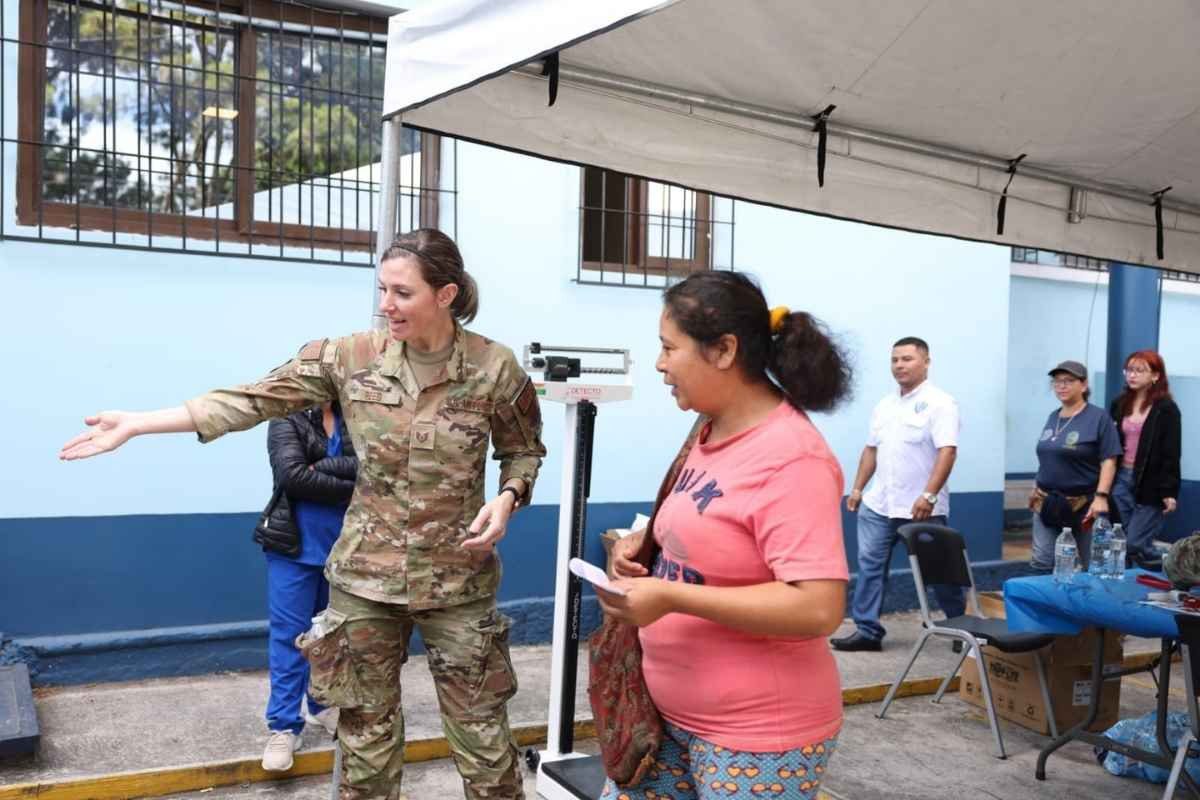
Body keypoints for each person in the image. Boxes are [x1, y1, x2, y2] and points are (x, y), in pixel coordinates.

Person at [59, 228, 546, 800]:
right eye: (382, 290)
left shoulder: (494, 366)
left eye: (402, 293)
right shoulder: (348, 357)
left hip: (458, 584)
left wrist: (509, 495)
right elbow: (253, 398)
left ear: (445, 294)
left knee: (484, 743)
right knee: (365, 744)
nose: (386, 305)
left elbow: (523, 449)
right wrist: (141, 423)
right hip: (364, 583)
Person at [599, 271, 852, 800]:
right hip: (665, 719)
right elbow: (709, 528)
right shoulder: (709, 431)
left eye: (670, 348)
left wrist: (671, 596)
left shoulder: (792, 458)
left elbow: (818, 606)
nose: (660, 364)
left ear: (724, 351)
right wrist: (644, 546)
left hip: (756, 740)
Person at [832, 337, 964, 653]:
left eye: (907, 359)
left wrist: (929, 495)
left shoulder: (941, 403)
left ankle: (960, 626)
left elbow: (947, 451)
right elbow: (871, 450)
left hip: (922, 508)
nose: (899, 365)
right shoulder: (884, 406)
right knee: (870, 568)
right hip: (879, 505)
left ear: (926, 362)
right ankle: (867, 631)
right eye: (895, 360)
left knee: (939, 572)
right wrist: (858, 488)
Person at [256, 402, 357, 771]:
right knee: (289, 636)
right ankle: (283, 726)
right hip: (293, 548)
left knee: (332, 638)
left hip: (345, 548)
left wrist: (321, 468)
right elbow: (292, 476)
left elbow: (374, 469)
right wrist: (349, 482)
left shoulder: (357, 414)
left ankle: (321, 705)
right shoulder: (286, 417)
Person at [1028, 360, 1121, 572]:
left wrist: (1101, 496)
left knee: (1096, 565)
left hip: (1085, 504)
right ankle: (1052, 595)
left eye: (1069, 381)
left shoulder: (1098, 417)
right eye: (1057, 381)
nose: (1061, 386)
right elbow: (1049, 456)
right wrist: (1036, 485)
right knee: (1042, 561)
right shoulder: (1053, 417)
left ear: (1084, 385)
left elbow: (1109, 459)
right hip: (1047, 501)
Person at [1110, 350, 1182, 568]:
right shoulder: (1119, 403)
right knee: (1120, 540)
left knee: (1135, 543)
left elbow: (1171, 452)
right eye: (1129, 370)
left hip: (1151, 482)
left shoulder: (1166, 409)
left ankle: (1174, 562)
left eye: (1140, 370)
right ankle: (1127, 583)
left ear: (1155, 376)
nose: (1132, 375)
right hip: (1121, 478)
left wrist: (1169, 491)